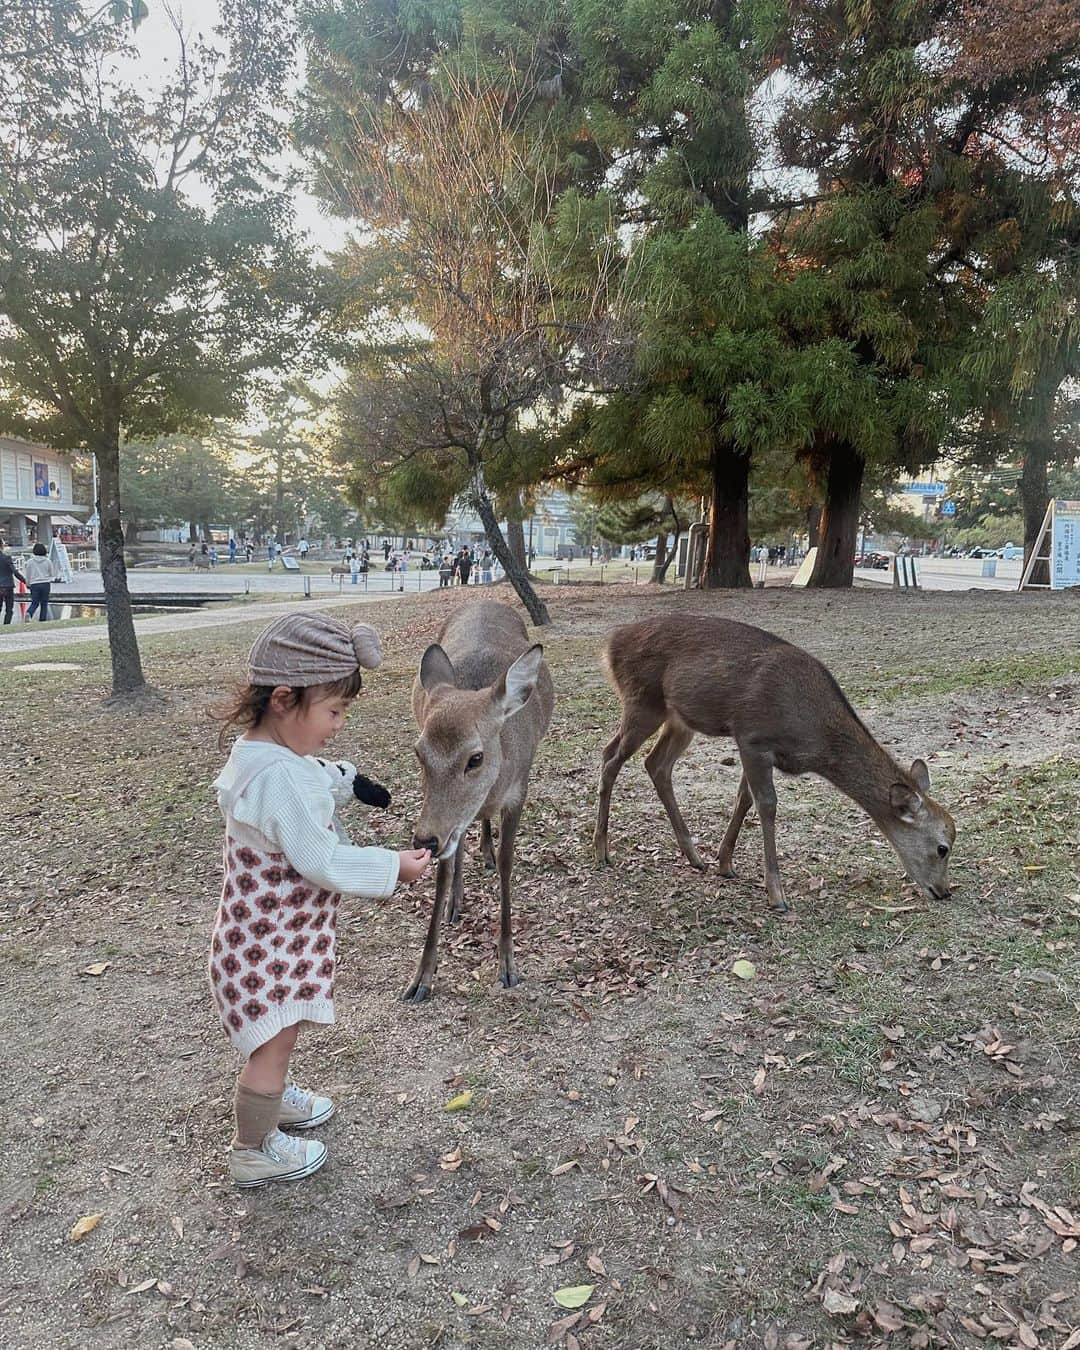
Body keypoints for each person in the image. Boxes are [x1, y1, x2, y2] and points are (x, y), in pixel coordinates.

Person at [210, 613, 432, 1187]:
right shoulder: (281, 780)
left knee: (276, 1040)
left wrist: (350, 780)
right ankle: (252, 1149)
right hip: (271, 950)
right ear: (284, 699)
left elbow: (312, 771)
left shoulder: (261, 755)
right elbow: (323, 862)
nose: (339, 725)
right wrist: (395, 868)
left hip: (260, 940)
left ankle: (273, 1103)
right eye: (334, 711)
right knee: (272, 1051)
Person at [24, 542, 58, 622]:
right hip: (45, 584)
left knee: (34, 602)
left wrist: (28, 584)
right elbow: (52, 573)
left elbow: (27, 574)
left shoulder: (30, 562)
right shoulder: (48, 561)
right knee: (44, 603)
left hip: (34, 584)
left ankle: (29, 612)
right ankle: (42, 620)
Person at [0, 540, 26, 625]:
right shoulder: (7, 558)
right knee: (9, 609)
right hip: (8, 586)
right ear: (1, 546)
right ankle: (6, 625)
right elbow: (15, 572)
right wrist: (25, 581)